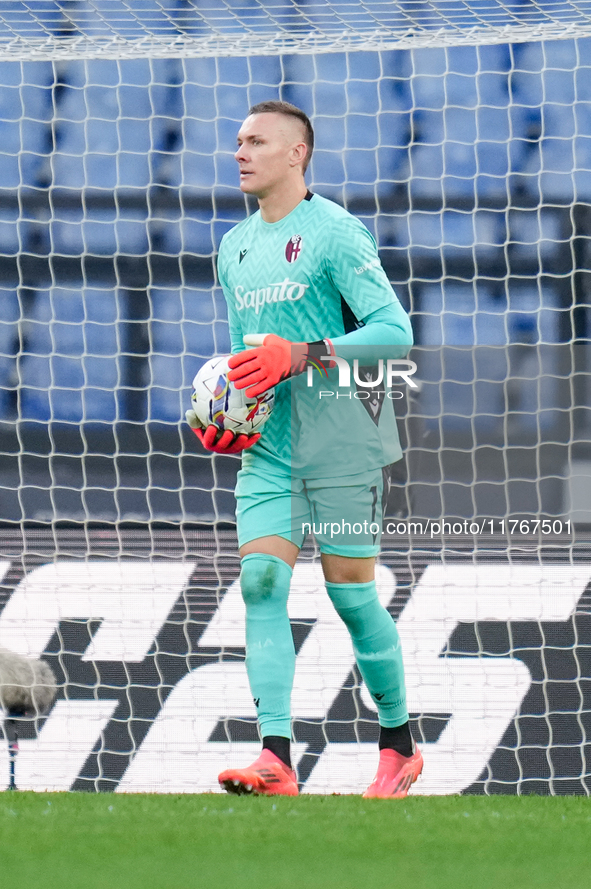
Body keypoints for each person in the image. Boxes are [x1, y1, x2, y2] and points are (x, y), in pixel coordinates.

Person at [187, 100, 422, 798]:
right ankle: (275, 757)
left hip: (344, 442)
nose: (240, 152)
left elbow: (393, 331)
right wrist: (229, 408)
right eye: (236, 141)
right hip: (271, 449)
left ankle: (398, 743)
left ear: (297, 154)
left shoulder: (335, 234)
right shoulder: (233, 246)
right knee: (260, 585)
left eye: (256, 141)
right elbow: (245, 356)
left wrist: (305, 354)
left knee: (350, 595)